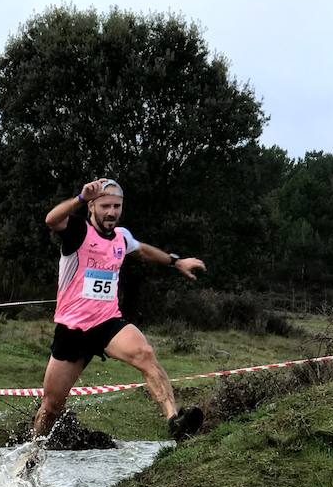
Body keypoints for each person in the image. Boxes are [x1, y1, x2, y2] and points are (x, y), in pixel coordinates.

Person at [31, 177, 206, 444]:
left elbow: (144, 251)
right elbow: (51, 220)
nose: (111, 212)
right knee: (52, 406)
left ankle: (175, 421)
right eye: (105, 206)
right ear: (92, 207)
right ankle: (34, 448)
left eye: (117, 206)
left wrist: (176, 261)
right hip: (72, 329)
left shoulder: (121, 238)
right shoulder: (78, 230)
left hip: (107, 322)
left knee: (144, 354)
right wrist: (79, 198)